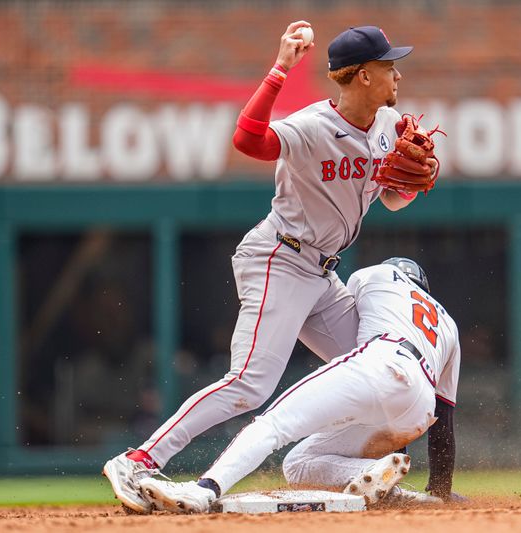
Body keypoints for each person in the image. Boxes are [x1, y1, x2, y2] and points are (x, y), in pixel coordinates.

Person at [103, 21, 434, 513]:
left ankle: (358, 473)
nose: (397, 76)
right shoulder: (311, 126)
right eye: (389, 67)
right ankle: (138, 459)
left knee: (381, 371)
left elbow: (392, 197)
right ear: (363, 76)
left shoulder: (389, 127)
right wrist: (280, 69)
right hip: (280, 259)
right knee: (249, 384)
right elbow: (246, 139)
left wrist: (417, 178)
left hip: (322, 275)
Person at [137, 258, 461, 512]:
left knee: (273, 424)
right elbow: (443, 422)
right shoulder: (448, 324)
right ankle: (396, 486)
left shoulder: (376, 274)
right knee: (298, 463)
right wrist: (441, 490)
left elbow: (341, 323)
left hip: (380, 361)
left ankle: (205, 489)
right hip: (419, 405)